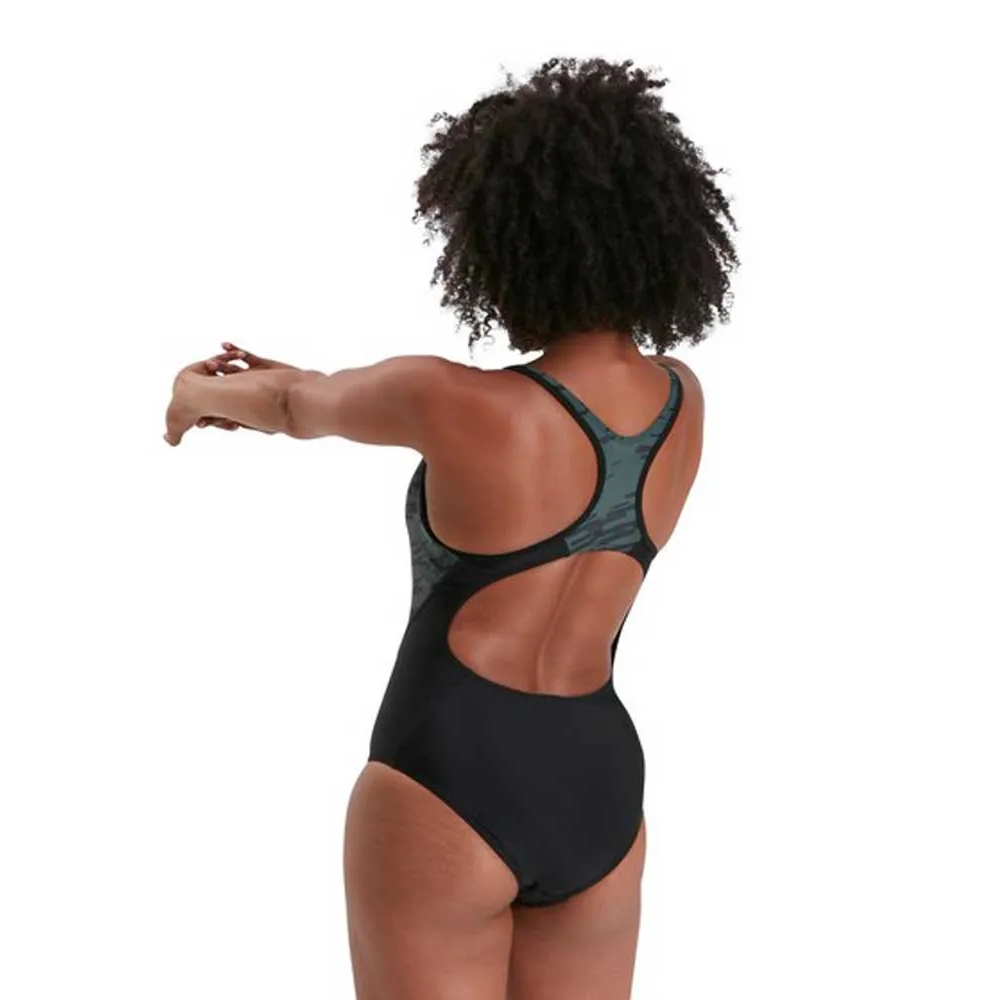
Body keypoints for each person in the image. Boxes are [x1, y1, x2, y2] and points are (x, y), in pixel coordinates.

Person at [165, 55, 738, 1000]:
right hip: (598, 776)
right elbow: (316, 392)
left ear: (508, 242)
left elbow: (302, 406)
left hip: (450, 775)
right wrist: (290, 384)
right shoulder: (683, 398)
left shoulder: (449, 399)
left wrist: (195, 395)